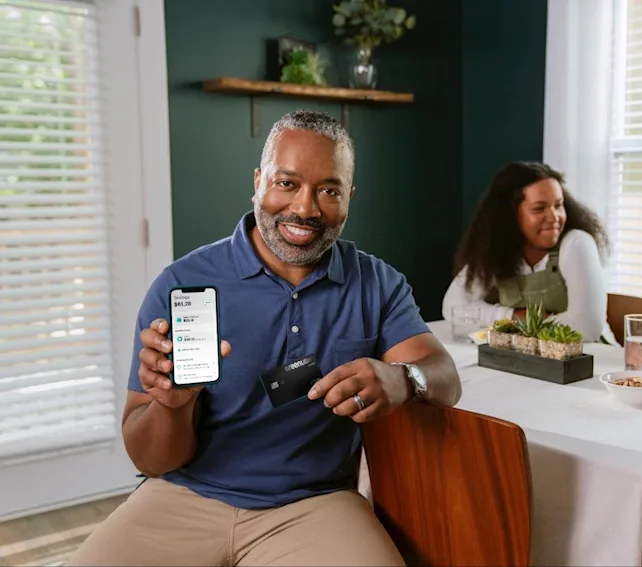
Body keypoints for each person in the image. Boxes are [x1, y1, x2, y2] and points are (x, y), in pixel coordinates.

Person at [67, 110, 462, 566]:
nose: (305, 209)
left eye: (328, 191)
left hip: (314, 505)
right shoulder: (183, 282)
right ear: (259, 181)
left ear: (349, 197)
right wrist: (171, 407)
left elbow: (445, 377)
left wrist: (403, 378)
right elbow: (152, 460)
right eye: (287, 183)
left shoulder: (377, 283)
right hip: (184, 496)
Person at [442, 161, 614, 343]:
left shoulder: (577, 243)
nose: (554, 217)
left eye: (558, 205)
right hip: (534, 359)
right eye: (539, 208)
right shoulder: (496, 250)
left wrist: (514, 326)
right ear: (510, 214)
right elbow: (453, 308)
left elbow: (586, 327)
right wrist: (514, 316)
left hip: (593, 357)